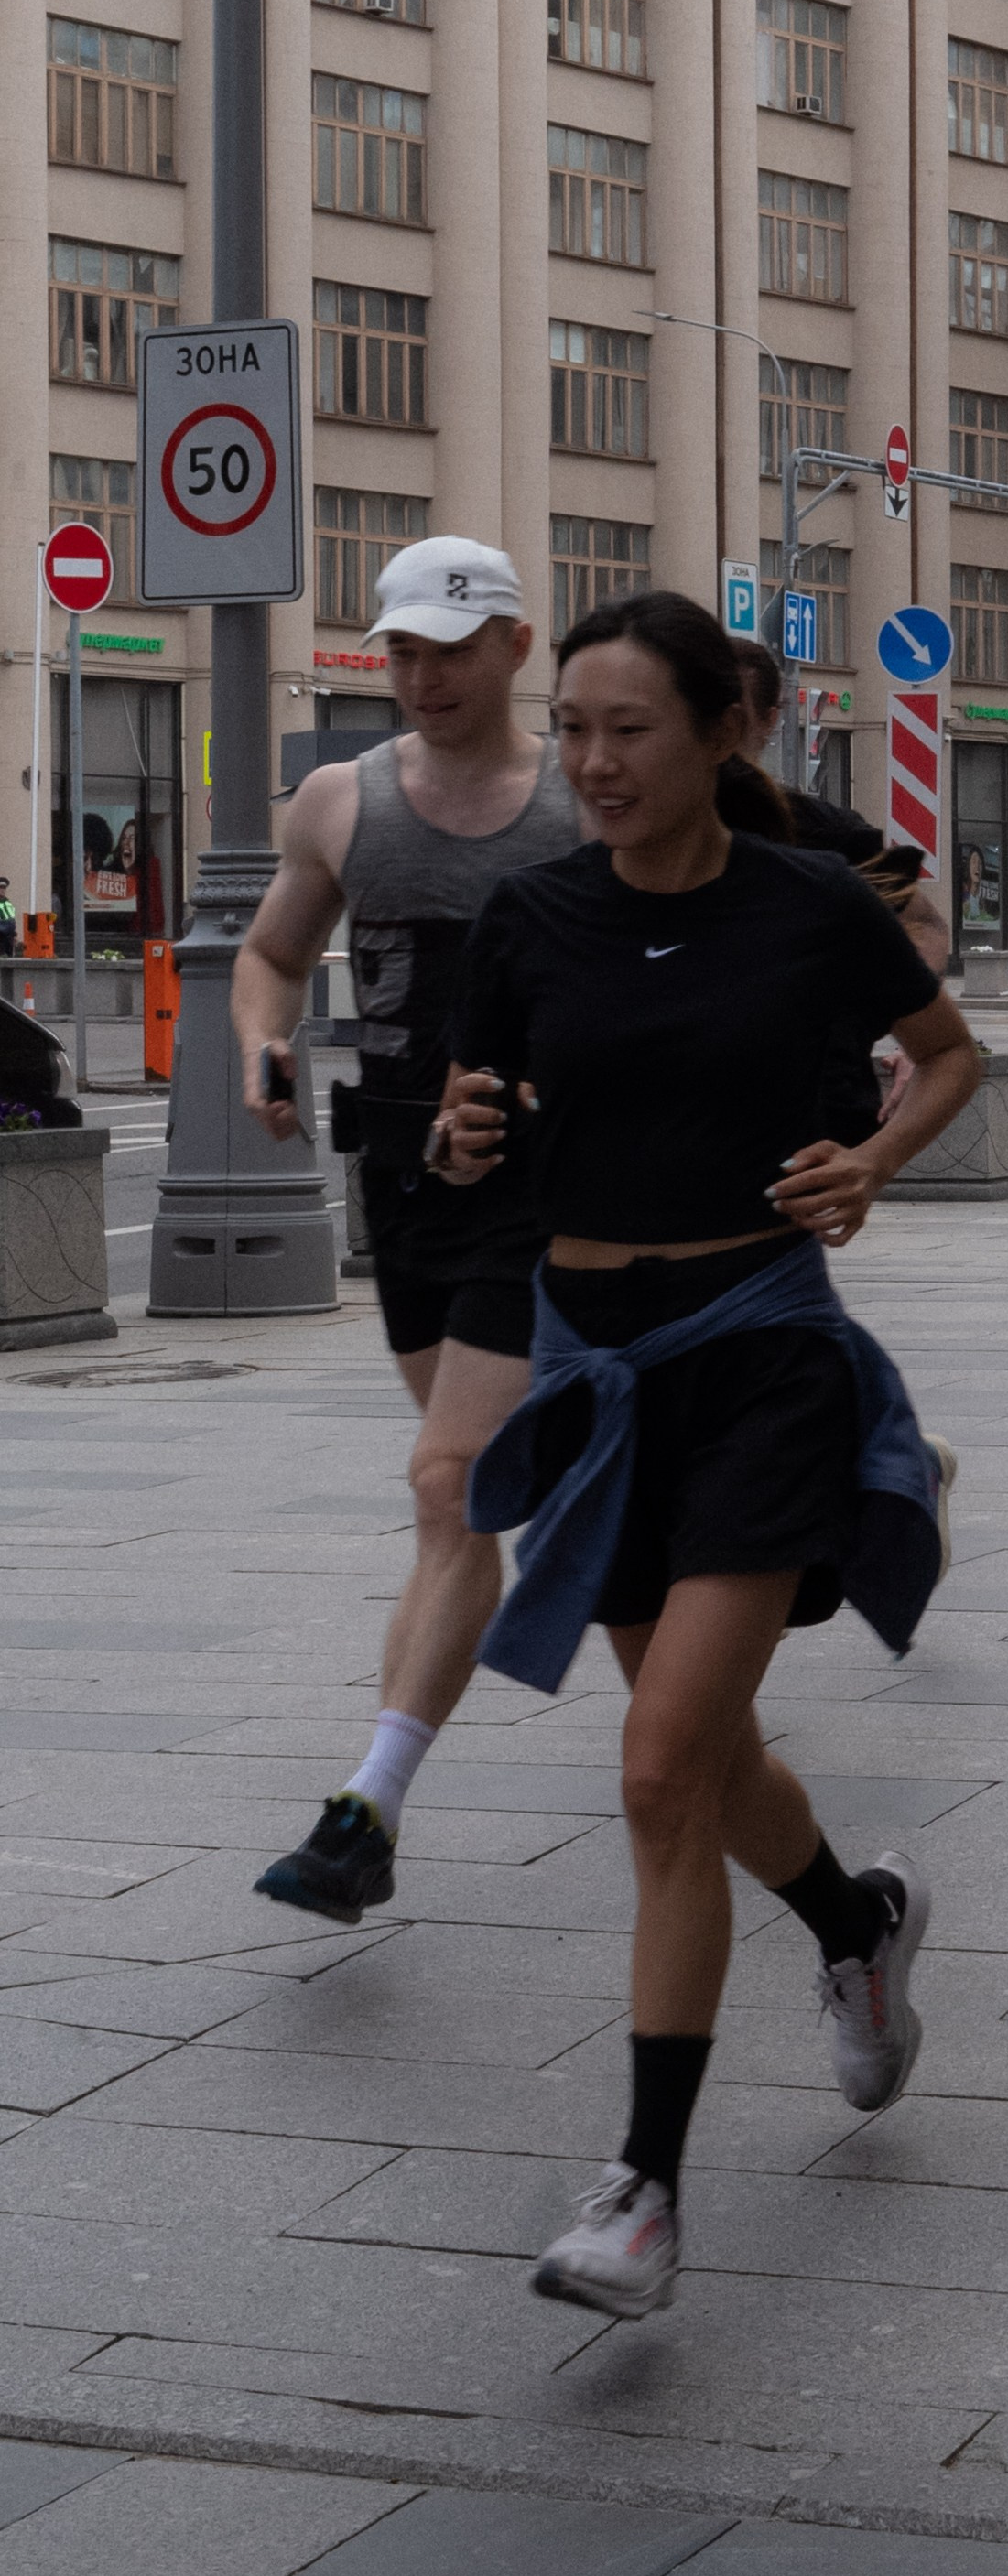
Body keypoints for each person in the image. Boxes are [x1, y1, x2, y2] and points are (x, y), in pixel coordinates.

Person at [435, 590, 981, 2319]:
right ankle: (852, 1921)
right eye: (575, 732)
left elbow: (952, 1055)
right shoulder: (526, 918)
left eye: (629, 732)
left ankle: (643, 2189)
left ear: (718, 733)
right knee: (714, 1759)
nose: (593, 764)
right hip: (597, 1381)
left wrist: (872, 1161)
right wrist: (462, 1140)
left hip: (759, 1360)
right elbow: (487, 1122)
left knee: (660, 1766)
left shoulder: (811, 906)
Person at [233, 536, 582, 1927]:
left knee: (450, 1483)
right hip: (403, 1171)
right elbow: (269, 954)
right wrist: (265, 1046)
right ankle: (831, 1470)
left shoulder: (582, 797)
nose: (424, 673)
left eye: (452, 644)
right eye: (403, 649)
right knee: (479, 1488)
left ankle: (366, 1810)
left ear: (516, 644)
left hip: (552, 1171)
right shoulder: (343, 800)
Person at [732, 635, 958, 1548]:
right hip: (694, 1096)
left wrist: (910, 1028)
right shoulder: (637, 825)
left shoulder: (828, 836)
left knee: (760, 1300)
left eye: (731, 719)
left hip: (810, 1093)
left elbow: (926, 928)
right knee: (756, 1318)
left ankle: (873, 1464)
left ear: (765, 720)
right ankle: (893, 1457)